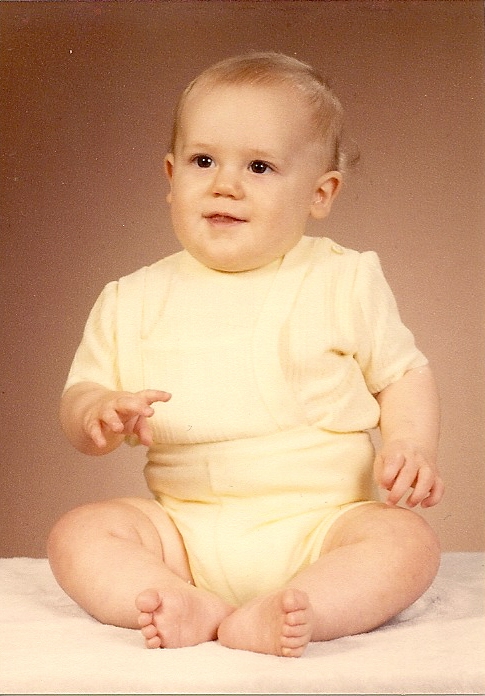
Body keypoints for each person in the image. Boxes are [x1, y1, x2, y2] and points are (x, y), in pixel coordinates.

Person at [48, 52, 444, 658]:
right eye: (203, 161)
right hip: (184, 533)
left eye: (259, 166)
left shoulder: (342, 280)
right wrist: (95, 412)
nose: (225, 185)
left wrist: (411, 445)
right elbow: (82, 392)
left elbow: (402, 374)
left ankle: (303, 606)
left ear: (319, 194)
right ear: (171, 175)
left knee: (406, 543)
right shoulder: (132, 298)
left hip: (322, 525)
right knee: (79, 534)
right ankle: (180, 598)